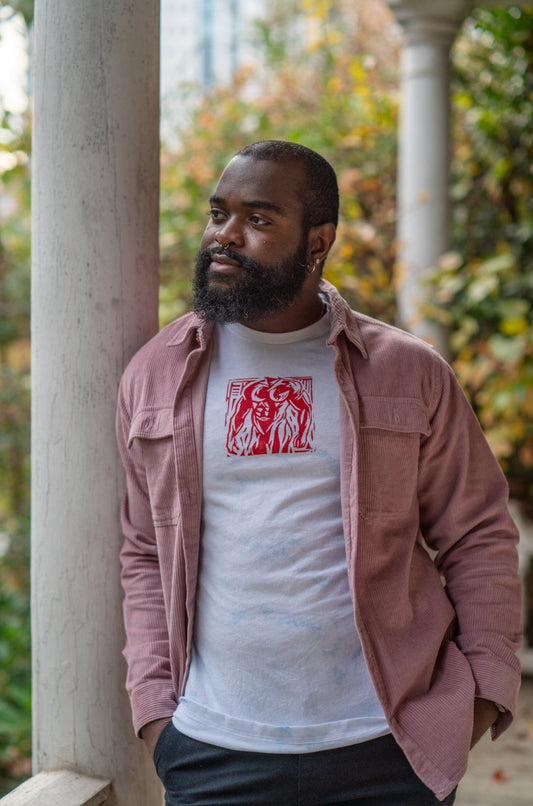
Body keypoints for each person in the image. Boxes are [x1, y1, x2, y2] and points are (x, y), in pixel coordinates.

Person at [116, 140, 522, 805]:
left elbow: (477, 534)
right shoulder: (155, 374)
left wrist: (480, 692)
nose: (225, 235)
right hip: (212, 752)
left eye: (258, 218)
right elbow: (142, 551)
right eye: (218, 214)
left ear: (318, 240)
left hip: (388, 751)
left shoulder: (407, 371)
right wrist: (157, 714)